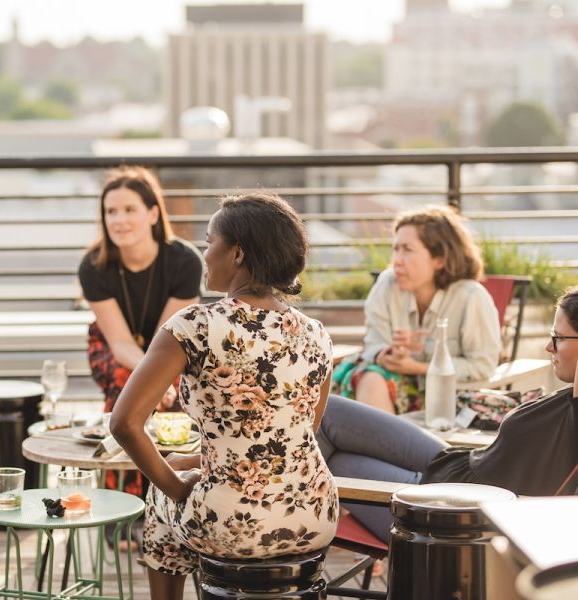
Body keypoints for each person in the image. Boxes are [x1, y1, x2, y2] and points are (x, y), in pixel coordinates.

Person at [110, 193, 338, 600]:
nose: (204, 251)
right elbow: (291, 435)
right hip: (315, 512)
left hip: (234, 525)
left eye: (209, 240)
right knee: (183, 480)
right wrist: (196, 460)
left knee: (159, 499)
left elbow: (124, 424)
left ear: (237, 253)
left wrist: (179, 489)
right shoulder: (316, 333)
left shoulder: (194, 326)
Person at [318, 285, 578, 542]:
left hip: (451, 508)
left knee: (339, 463)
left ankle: (294, 537)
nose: (548, 346)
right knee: (330, 411)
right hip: (458, 466)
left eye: (559, 337)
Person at [78, 166, 203, 496]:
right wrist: (149, 379)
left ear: (152, 213)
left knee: (170, 399)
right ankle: (119, 496)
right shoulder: (93, 266)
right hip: (115, 347)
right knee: (125, 380)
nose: (118, 220)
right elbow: (118, 342)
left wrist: (158, 379)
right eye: (111, 211)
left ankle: (163, 493)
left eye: (129, 209)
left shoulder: (185, 262)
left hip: (171, 348)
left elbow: (170, 337)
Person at [334, 205, 501, 414]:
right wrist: (387, 354)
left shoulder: (471, 297)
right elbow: (374, 343)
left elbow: (482, 365)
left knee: (371, 380)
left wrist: (417, 367)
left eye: (408, 249)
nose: (396, 260)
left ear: (439, 259)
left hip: (450, 397)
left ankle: (380, 446)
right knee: (371, 376)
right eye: (396, 249)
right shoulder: (387, 284)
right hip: (390, 386)